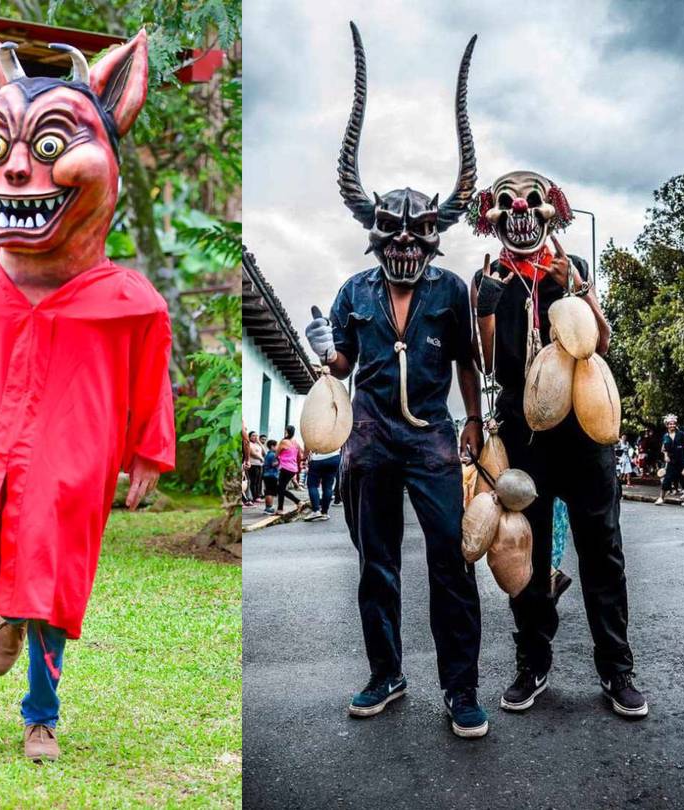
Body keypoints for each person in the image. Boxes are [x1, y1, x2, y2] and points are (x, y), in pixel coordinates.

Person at [0, 26, 167, 762]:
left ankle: (40, 713)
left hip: (75, 462)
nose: (14, 170)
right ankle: (9, 613)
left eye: (47, 148)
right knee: (7, 552)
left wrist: (148, 451)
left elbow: (150, 379)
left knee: (53, 567)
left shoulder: (129, 301)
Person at [305, 24, 489, 738]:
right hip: (370, 441)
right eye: (393, 237)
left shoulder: (450, 290)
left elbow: (469, 361)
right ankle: (386, 674)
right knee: (375, 566)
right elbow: (344, 365)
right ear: (376, 239)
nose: (406, 245)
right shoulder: (355, 290)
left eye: (419, 237)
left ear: (435, 241)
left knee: (452, 565)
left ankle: (461, 690)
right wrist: (327, 349)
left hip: (435, 443)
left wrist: (475, 422)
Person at [472, 168, 647, 717]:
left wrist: (580, 286)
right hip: (525, 441)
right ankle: (534, 663)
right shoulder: (488, 280)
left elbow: (602, 339)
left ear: (552, 209)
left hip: (583, 435)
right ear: (491, 216)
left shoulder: (570, 270)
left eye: (532, 200)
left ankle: (617, 670)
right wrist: (486, 305)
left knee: (603, 550)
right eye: (507, 203)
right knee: (523, 549)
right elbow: (486, 363)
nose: (520, 211)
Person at [657, 416, 684, 506]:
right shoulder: (665, 436)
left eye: (674, 424)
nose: (672, 425)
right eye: (670, 424)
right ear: (667, 425)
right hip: (671, 462)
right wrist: (666, 455)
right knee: (666, 480)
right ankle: (661, 498)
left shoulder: (681, 434)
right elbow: (663, 449)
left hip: (681, 461)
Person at [306, 445, 341, 521]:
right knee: (328, 486)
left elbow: (307, 443)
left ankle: (316, 511)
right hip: (334, 457)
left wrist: (305, 457)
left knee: (312, 485)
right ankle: (324, 512)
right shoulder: (335, 432)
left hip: (318, 458)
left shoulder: (314, 432)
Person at [274, 426, 304, 515]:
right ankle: (280, 509)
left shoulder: (284, 442)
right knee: (281, 488)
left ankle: (298, 501)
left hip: (285, 468)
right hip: (293, 468)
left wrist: (279, 458)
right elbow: (301, 453)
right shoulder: (295, 442)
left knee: (280, 488)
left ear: (286, 431)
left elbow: (276, 454)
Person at [261, 440, 281, 514]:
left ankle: (268, 507)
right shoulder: (273, 455)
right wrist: (280, 460)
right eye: (277, 446)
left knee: (269, 491)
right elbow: (273, 464)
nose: (278, 447)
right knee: (270, 492)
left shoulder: (268, 454)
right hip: (271, 475)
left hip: (267, 475)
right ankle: (268, 508)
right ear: (272, 446)